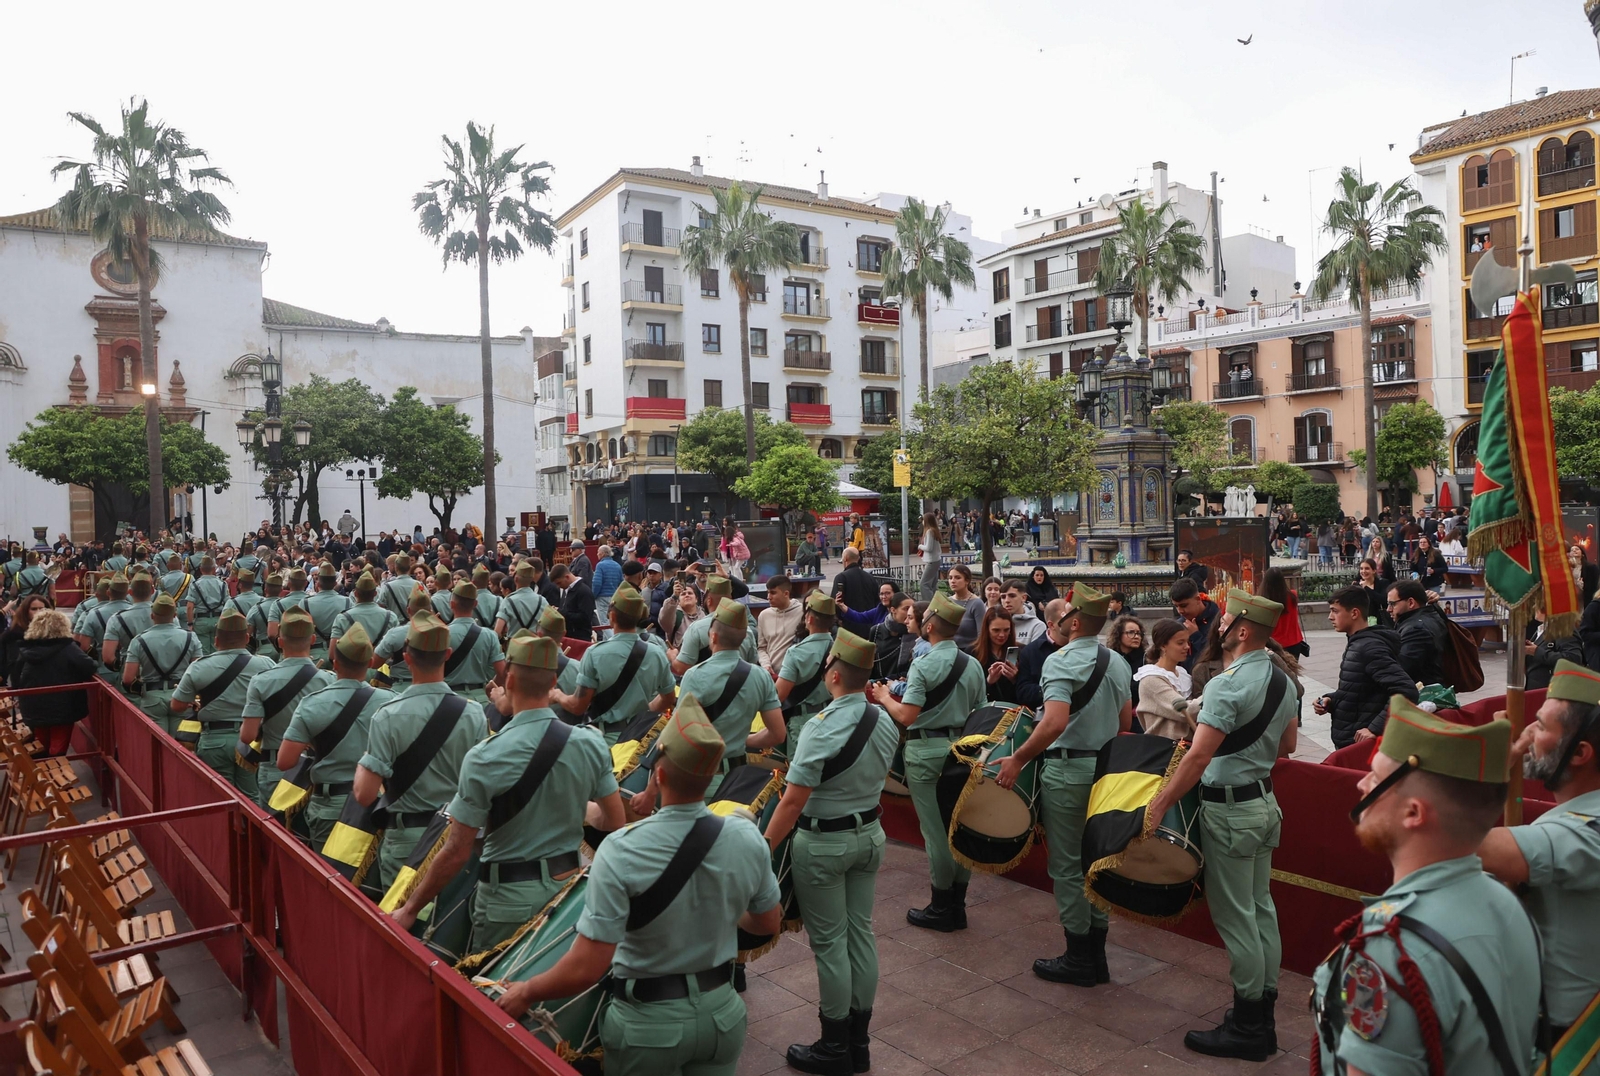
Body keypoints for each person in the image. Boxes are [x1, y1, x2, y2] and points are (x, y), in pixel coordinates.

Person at [493, 699, 782, 1076]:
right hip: (721, 1017)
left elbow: (587, 968)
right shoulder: (746, 836)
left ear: (658, 775)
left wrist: (527, 991)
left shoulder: (621, 848)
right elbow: (767, 924)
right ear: (711, 776)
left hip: (649, 1026)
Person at [1312, 702, 1537, 1075]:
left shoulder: (1390, 949)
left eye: (1375, 778)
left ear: (1413, 813)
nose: (1361, 784)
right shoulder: (1508, 903)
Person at [393, 633, 624, 950]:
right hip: (570, 893)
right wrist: (575, 804)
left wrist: (410, 909)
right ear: (553, 682)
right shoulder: (590, 742)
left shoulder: (484, 756)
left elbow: (457, 850)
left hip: (508, 901)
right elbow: (613, 820)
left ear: (510, 680)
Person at [1146, 591, 1298, 1059]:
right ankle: (1262, 1015)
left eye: (1226, 619)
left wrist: (1160, 804)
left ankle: (1249, 1026)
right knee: (1261, 909)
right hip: (1263, 803)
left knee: (1236, 919)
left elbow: (1197, 757)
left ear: (1242, 632)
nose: (1218, 625)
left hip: (1229, 811)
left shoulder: (1225, 685)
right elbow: (1288, 746)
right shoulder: (1282, 679)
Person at [763, 630, 899, 1074]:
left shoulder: (821, 726)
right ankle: (858, 1044)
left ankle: (834, 1046)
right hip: (869, 835)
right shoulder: (883, 719)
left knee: (830, 945)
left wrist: (764, 848)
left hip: (824, 843)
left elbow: (792, 802)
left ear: (834, 674)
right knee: (861, 934)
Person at [993, 583, 1131, 986]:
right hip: (1105, 772)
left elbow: (1053, 722)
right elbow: (1125, 722)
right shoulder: (1117, 662)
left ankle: (1079, 957)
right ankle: (1097, 957)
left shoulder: (1061, 661)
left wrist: (1018, 758)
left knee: (1069, 867)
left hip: (1068, 772)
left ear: (1072, 622)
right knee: (1096, 862)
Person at [1478, 659, 1600, 1070]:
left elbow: (1460, 843)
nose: (1527, 732)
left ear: (1580, 753)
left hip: (1572, 1050)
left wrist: (1490, 765)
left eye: (1542, 726)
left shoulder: (1589, 832)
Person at [867, 592, 986, 932]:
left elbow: (906, 715)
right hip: (964, 750)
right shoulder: (972, 664)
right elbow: (981, 711)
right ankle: (958, 904)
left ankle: (942, 905)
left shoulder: (924, 664)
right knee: (959, 827)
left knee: (935, 833)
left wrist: (884, 697)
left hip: (927, 753)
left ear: (930, 625)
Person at [354, 612, 488, 890]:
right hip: (455, 839)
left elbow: (365, 794)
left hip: (406, 841)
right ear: (447, 654)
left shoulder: (387, 716)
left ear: (407, 658)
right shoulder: (474, 713)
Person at [642, 600, 783, 808]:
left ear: (713, 636)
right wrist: (743, 739)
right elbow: (777, 735)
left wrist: (650, 791)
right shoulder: (760, 677)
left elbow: (676, 736)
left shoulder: (695, 676)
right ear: (744, 638)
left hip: (700, 780)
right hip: (740, 783)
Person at [277, 624, 392, 852]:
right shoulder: (392, 702)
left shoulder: (311, 704)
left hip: (330, 804)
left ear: (336, 664)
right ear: (370, 663)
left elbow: (285, 762)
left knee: (328, 871)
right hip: (377, 802)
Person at [170, 609, 277, 796]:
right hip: (252, 740)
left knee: (218, 798)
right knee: (251, 798)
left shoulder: (199, 667)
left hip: (213, 741)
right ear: (246, 638)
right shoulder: (266, 665)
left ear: (216, 640)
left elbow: (176, 706)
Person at [553, 586, 675, 746]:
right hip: (640, 740)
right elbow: (668, 699)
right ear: (640, 616)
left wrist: (557, 695)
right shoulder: (657, 653)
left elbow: (577, 706)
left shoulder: (594, 653)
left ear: (612, 616)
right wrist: (643, 714)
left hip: (606, 742)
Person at [240, 608, 334, 810]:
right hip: (316, 768)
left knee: (273, 827)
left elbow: (247, 736)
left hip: (275, 767)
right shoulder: (329, 681)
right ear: (312, 640)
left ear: (280, 642)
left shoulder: (260, 681)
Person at [1314, 586, 1417, 749]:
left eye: (1335, 611)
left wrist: (1374, 728)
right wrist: (1331, 700)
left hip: (1361, 746)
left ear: (1354, 613)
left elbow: (1406, 690)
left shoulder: (1368, 648)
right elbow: (1360, 690)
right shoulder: (1357, 643)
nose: (1330, 617)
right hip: (1351, 742)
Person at [12, 609, 96, 757]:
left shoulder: (27, 649)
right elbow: (89, 666)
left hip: (33, 705)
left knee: (40, 744)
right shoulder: (67, 647)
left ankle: (41, 768)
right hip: (64, 706)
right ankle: (54, 766)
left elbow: (16, 675)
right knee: (58, 746)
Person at [120, 594, 202, 734]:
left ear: (152, 616)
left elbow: (127, 678)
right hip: (181, 695)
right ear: (175, 615)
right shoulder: (190, 637)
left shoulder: (139, 641)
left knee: (155, 742)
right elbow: (198, 672)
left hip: (152, 697)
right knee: (180, 742)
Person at [671, 576, 758, 674]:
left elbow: (682, 668)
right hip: (741, 682)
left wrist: (672, 656)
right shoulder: (746, 630)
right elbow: (752, 665)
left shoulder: (697, 629)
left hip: (705, 682)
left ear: (709, 600)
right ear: (730, 599)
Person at [776, 592, 838, 730]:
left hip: (802, 721)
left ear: (809, 619)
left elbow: (779, 695)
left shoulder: (795, 653)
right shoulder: (839, 651)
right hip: (832, 719)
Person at [443, 582, 507, 704]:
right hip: (480, 700)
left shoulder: (442, 634)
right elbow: (503, 672)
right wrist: (490, 686)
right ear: (475, 604)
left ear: (451, 604)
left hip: (450, 700)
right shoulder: (490, 635)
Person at [1135, 619, 1194, 741]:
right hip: (1164, 747)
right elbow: (1183, 711)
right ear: (1163, 645)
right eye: (1180, 643)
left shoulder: (1182, 674)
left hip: (1187, 745)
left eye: (1187, 642)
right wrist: (1212, 695)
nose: (1187, 647)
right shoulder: (1151, 679)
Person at [1390, 580, 1447, 687]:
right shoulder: (1430, 615)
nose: (1389, 609)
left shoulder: (1415, 629)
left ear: (1411, 603)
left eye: (1392, 604)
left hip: (1422, 691)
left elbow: (1402, 668)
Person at [1015, 598, 1066, 711]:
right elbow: (1023, 692)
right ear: (1051, 625)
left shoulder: (1079, 647)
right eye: (1065, 620)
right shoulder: (1030, 652)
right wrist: (1053, 689)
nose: (1072, 624)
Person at [756, 575, 804, 678]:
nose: (768, 597)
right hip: (770, 675)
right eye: (768, 592)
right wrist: (765, 665)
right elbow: (761, 648)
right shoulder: (764, 615)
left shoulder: (802, 612)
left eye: (773, 593)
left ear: (786, 594)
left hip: (795, 675)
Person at [1169, 577, 1220, 672]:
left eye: (1184, 605)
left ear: (1198, 599)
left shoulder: (1218, 620)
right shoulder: (1179, 624)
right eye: (1176, 606)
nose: (1180, 611)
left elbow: (1216, 654)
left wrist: (1195, 636)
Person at [1526, 609, 1584, 692]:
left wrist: (1536, 651)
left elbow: (1573, 658)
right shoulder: (1543, 629)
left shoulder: (1563, 629)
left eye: (1540, 606)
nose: (1535, 608)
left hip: (1551, 689)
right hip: (1536, 687)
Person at [0, 594, 50, 687]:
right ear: (26, 611)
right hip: (25, 684)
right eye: (34, 609)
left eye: (42, 609)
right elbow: (13, 665)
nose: (38, 612)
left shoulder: (53, 632)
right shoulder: (14, 634)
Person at [973, 606, 1019, 704]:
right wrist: (989, 681)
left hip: (1013, 708)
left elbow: (1025, 691)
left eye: (1006, 630)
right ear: (987, 629)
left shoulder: (1020, 652)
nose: (1002, 635)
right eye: (996, 630)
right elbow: (971, 692)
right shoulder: (973, 653)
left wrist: (1015, 679)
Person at [1260, 567, 1307, 659]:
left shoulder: (1262, 600)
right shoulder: (1293, 595)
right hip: (1293, 641)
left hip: (1272, 644)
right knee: (1292, 667)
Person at [184, 556, 228, 655]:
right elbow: (228, 604)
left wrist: (190, 624)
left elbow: (190, 606)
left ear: (201, 569)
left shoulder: (195, 585)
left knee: (203, 652)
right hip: (218, 620)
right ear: (214, 569)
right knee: (218, 650)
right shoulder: (222, 584)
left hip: (201, 621)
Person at [550, 564, 597, 642]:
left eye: (559, 583)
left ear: (567, 577)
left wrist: (561, 612)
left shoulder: (584, 591)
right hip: (571, 636)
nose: (558, 586)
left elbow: (585, 618)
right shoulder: (568, 590)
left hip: (580, 638)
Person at [830, 546, 878, 613]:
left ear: (845, 558)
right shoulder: (870, 577)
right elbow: (876, 601)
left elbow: (835, 602)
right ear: (858, 558)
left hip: (848, 617)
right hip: (869, 618)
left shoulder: (841, 577)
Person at [1001, 580, 1045, 645]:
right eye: (1003, 597)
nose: (1007, 600)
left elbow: (1036, 651)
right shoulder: (996, 623)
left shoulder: (1037, 626)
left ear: (1023, 598)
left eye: (1012, 596)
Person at [1355, 558, 1393, 628]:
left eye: (1367, 568)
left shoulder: (1383, 583)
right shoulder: (1356, 586)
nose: (1363, 571)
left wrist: (1366, 588)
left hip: (1379, 622)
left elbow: (1384, 600)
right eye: (1361, 569)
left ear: (1374, 570)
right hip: (1362, 622)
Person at [917, 512, 942, 600]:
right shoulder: (935, 530)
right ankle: (936, 602)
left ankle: (929, 603)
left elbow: (929, 548)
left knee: (924, 584)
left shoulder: (929, 531)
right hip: (936, 560)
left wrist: (920, 546)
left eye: (923, 520)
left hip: (932, 561)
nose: (922, 522)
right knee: (933, 585)